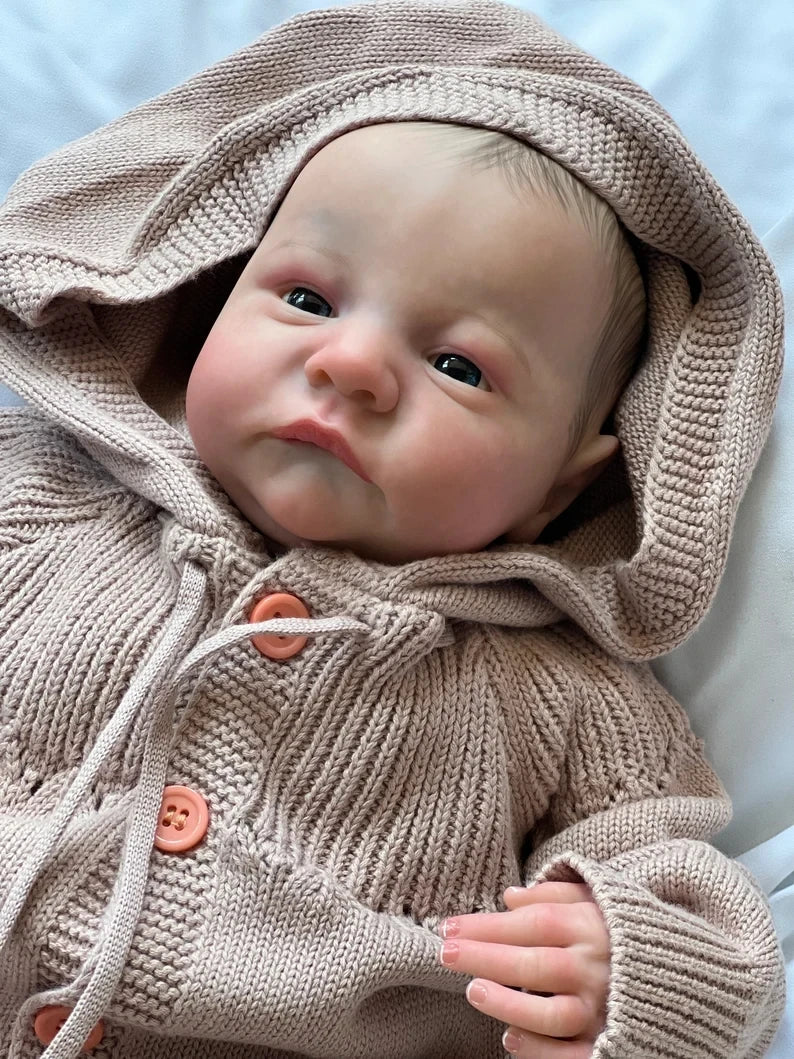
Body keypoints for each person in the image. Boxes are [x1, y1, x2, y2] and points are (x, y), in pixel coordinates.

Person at [0, 2, 785, 1058]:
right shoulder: (36, 499)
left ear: (561, 486)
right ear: (202, 312)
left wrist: (629, 968)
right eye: (306, 297)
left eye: (458, 365)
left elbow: (709, 929)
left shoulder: (564, 701)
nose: (352, 365)